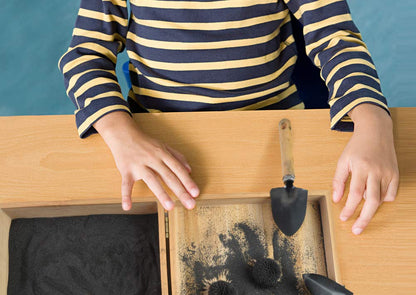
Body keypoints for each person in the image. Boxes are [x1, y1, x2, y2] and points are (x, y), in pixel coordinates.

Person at [59, 0, 399, 235]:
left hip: (275, 133)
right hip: (157, 140)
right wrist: (121, 134)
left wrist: (374, 122)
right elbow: (85, 56)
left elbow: (336, 39)